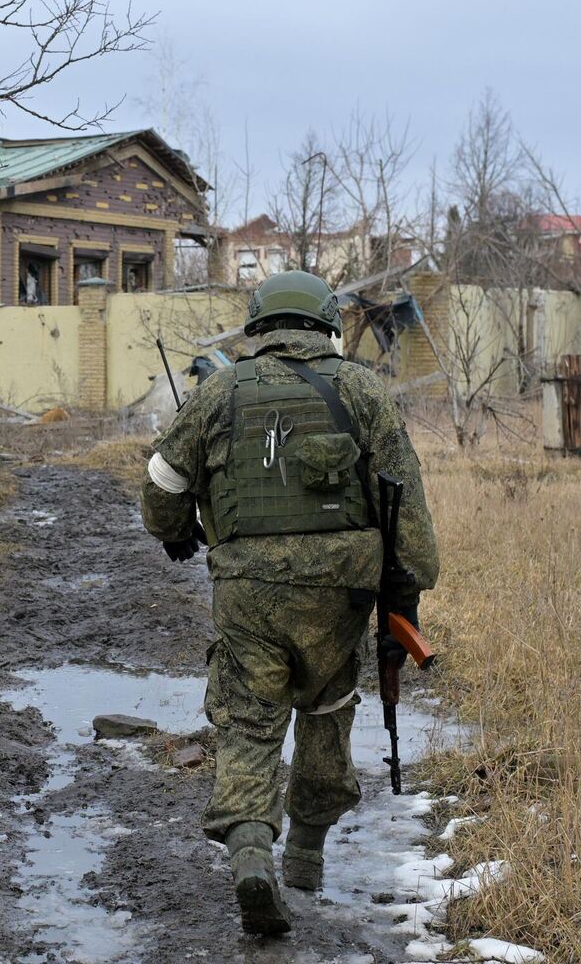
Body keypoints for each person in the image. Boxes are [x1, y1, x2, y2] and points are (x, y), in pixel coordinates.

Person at [140, 270, 439, 936]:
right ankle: (305, 853)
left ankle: (251, 850)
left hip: (250, 594)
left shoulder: (218, 391)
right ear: (327, 325)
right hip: (340, 594)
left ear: (259, 326)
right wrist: (406, 605)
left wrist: (176, 532)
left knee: (247, 722)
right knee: (329, 708)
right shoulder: (363, 391)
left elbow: (162, 480)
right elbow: (407, 514)